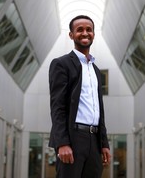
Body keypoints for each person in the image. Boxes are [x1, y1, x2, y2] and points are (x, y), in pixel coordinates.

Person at [49, 15, 111, 178]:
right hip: (73, 137)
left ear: (93, 34)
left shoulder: (96, 70)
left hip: (94, 139)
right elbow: (58, 106)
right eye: (80, 30)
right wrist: (62, 143)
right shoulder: (61, 64)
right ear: (71, 35)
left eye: (89, 30)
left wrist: (104, 143)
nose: (85, 33)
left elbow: (99, 110)